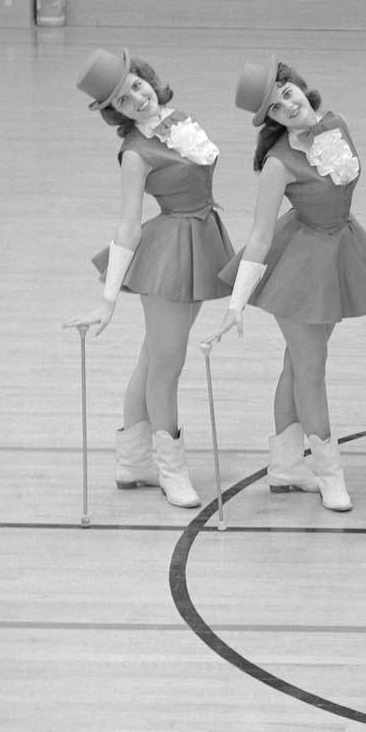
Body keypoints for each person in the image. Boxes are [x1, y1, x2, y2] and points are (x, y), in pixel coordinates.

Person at [204, 59, 366, 512]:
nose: (287, 105)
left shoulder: (338, 124)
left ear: (299, 88)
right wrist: (236, 305)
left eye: (286, 93)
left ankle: (286, 466)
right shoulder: (278, 163)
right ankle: (329, 471)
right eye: (275, 107)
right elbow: (259, 236)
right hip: (300, 267)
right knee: (311, 370)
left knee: (296, 366)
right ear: (270, 120)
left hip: (339, 249)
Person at [66, 48, 235, 509]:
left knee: (153, 356)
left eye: (136, 86)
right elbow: (127, 226)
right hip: (171, 255)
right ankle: (170, 468)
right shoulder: (134, 154)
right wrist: (108, 299)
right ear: (114, 112)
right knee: (167, 364)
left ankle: (132, 460)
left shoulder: (179, 120)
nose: (136, 98)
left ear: (148, 79)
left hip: (201, 240)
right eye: (122, 99)